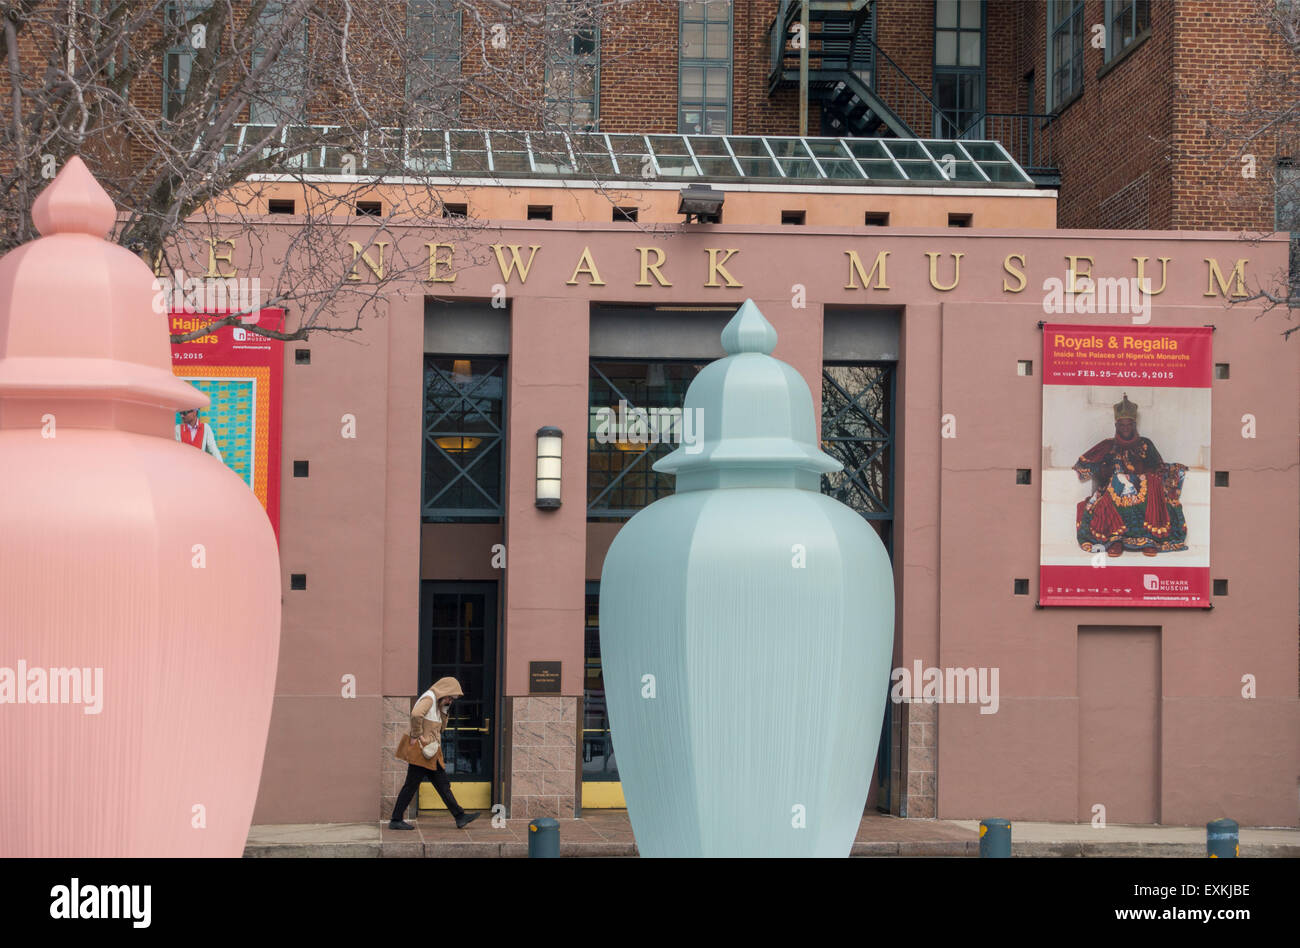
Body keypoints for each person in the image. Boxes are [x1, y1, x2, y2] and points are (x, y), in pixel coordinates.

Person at [1073, 393, 1188, 557]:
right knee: (1117, 483)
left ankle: (1151, 539)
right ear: (1116, 425)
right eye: (1122, 425)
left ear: (1134, 424)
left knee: (1153, 483)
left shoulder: (1146, 444)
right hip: (1115, 488)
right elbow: (1087, 468)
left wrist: (1147, 474)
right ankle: (1115, 540)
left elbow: (1159, 467)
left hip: (1143, 486)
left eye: (1129, 424)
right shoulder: (1108, 445)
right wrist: (1105, 469)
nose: (1125, 428)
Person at [389, 676, 479, 830]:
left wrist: (444, 710)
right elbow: (416, 714)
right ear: (444, 691)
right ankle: (396, 820)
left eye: (452, 699)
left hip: (431, 751)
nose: (450, 701)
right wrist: (416, 735)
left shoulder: (437, 704)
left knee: (442, 785)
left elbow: (442, 729)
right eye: (450, 697)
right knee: (411, 785)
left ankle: (459, 816)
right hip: (422, 751)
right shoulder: (429, 698)